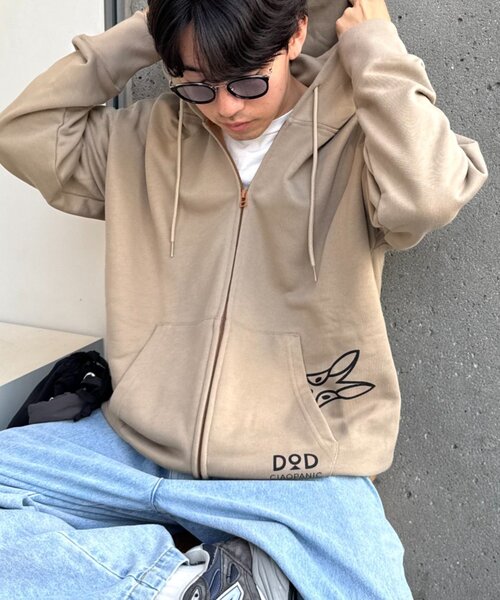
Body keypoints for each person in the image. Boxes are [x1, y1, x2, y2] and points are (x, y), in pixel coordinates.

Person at [0, 0, 488, 598]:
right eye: (197, 87)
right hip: (131, 447)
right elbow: (22, 133)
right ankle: (188, 584)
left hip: (298, 469)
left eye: (248, 82)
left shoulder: (361, 138)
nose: (226, 108)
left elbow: (428, 196)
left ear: (296, 36)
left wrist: (376, 47)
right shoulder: (142, 139)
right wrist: (160, 29)